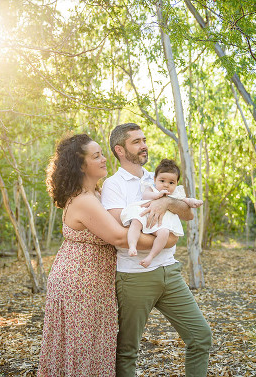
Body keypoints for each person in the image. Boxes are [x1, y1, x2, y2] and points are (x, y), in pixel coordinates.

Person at [100, 122, 212, 377]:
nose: (144, 145)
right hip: (134, 276)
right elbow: (119, 233)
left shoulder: (157, 177)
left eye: (144, 140)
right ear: (120, 150)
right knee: (127, 351)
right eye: (136, 141)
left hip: (169, 272)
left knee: (201, 336)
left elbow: (187, 214)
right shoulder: (113, 185)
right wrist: (168, 241)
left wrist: (167, 202)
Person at [38, 134, 135, 377]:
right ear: (81, 165)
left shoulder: (96, 194)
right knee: (83, 352)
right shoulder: (83, 200)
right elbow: (120, 237)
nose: (104, 159)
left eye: (102, 154)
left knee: (91, 350)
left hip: (92, 284)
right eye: (97, 156)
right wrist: (163, 241)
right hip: (79, 285)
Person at [121, 158, 204, 268]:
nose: (166, 185)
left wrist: (194, 202)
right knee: (135, 223)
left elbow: (186, 200)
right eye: (162, 181)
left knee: (164, 233)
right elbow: (146, 196)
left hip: (160, 223)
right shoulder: (151, 188)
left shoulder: (175, 193)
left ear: (176, 183)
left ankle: (151, 256)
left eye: (171, 182)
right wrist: (158, 196)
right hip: (145, 215)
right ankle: (132, 245)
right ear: (155, 179)